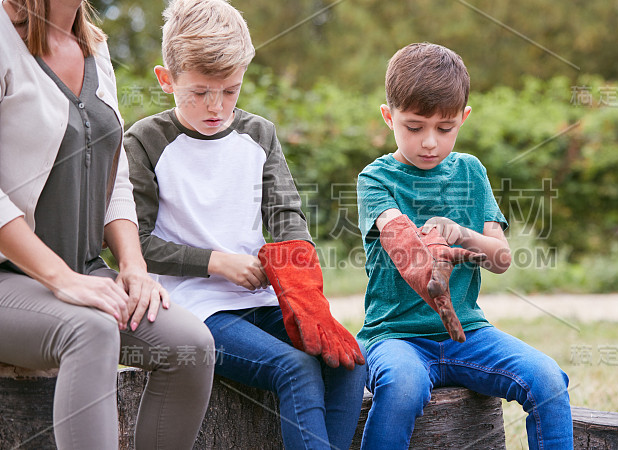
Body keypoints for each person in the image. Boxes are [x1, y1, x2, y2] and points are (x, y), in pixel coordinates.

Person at [124, 1, 366, 448]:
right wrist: (218, 262)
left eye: (230, 91)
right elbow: (134, 243)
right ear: (166, 79)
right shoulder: (144, 141)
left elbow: (287, 216)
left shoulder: (259, 135)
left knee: (349, 363)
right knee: (294, 368)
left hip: (261, 295)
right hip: (194, 307)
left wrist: (304, 290)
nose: (216, 107)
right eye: (199, 92)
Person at [0, 0, 216, 448]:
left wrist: (134, 267)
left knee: (191, 347)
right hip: (11, 280)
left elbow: (114, 180)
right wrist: (61, 280)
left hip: (84, 271)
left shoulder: (94, 49)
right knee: (91, 329)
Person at [356, 42, 573, 449]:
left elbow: (501, 258)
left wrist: (461, 233)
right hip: (394, 336)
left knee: (547, 379)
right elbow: (394, 232)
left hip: (468, 333)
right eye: (415, 127)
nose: (430, 143)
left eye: (445, 128)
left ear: (463, 119)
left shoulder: (471, 172)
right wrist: (427, 250)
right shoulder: (375, 179)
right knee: (402, 387)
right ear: (389, 117)